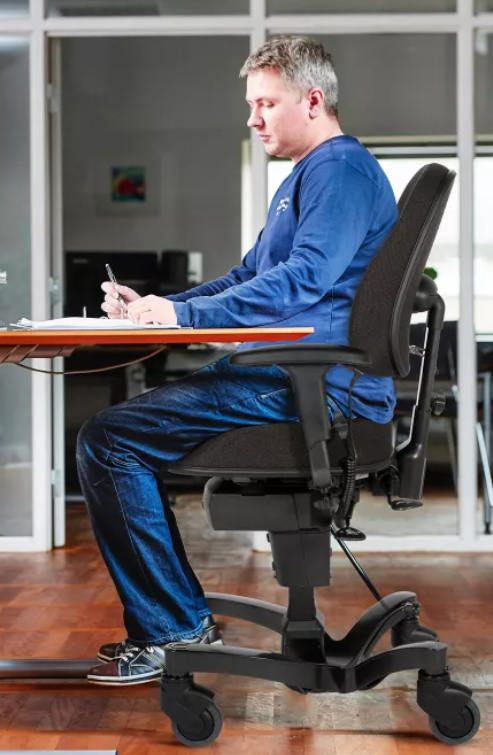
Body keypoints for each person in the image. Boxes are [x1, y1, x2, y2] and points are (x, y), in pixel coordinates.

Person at [79, 34, 398, 686]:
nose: (252, 119)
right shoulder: (308, 176)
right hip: (292, 378)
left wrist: (184, 318)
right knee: (118, 437)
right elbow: (247, 274)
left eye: (264, 103)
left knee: (108, 440)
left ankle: (172, 628)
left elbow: (305, 280)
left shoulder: (338, 171)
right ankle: (175, 617)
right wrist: (162, 305)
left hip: (318, 387)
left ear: (311, 100)